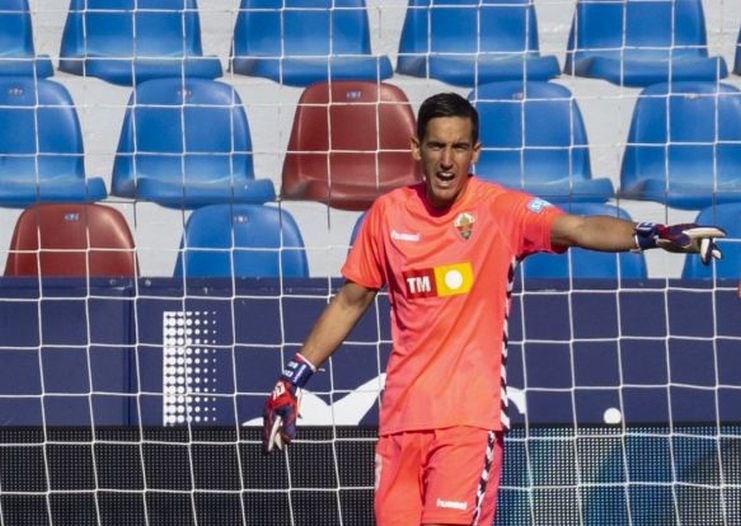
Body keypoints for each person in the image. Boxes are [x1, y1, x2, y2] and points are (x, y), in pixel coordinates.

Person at [262, 93, 725, 526]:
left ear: (476, 151)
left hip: (468, 424)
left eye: (459, 147)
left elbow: (579, 227)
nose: (447, 161)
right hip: (401, 423)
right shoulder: (387, 213)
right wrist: (293, 379)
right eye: (437, 146)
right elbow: (351, 300)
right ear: (415, 147)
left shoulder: (500, 210)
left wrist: (653, 235)